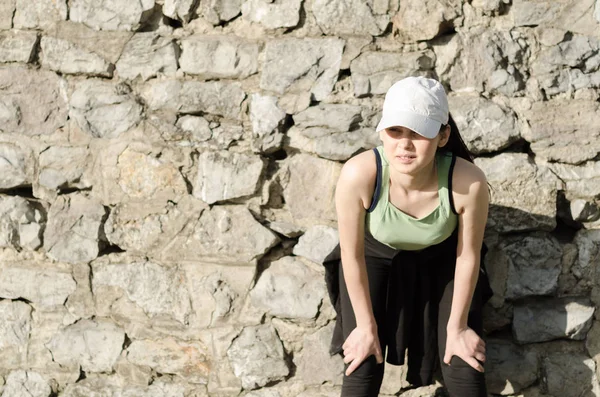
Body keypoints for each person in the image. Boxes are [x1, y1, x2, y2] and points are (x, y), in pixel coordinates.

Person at [322, 76, 493, 397]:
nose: (404, 144)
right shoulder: (360, 174)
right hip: (374, 258)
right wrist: (364, 326)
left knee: (464, 360)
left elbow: (468, 255)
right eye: (395, 131)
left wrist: (457, 328)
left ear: (443, 136)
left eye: (418, 133)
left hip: (445, 262)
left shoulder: (467, 181)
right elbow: (351, 255)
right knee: (362, 357)